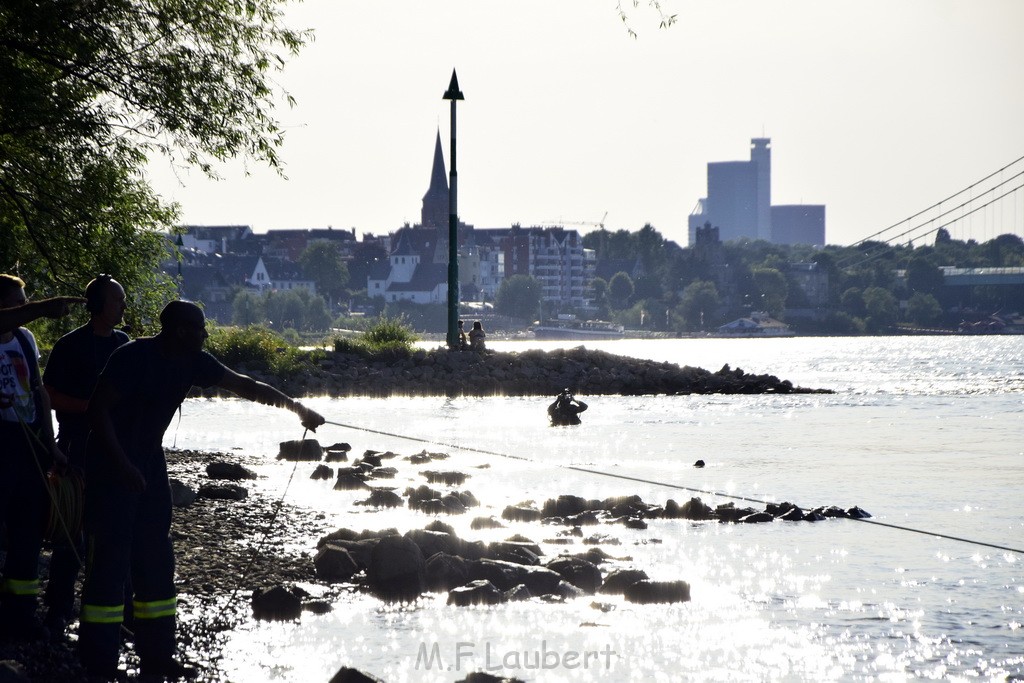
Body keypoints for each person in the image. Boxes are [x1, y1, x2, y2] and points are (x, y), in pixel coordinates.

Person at [78, 300, 325, 680]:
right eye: (200, 328)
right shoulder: (132, 357)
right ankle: (98, 663)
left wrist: (297, 409)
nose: (206, 334)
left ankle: (157, 657)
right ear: (180, 330)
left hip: (148, 462)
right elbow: (97, 412)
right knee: (110, 563)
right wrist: (123, 466)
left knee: (157, 560)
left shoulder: (194, 361)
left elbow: (245, 385)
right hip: (110, 465)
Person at [42, 275, 130, 639]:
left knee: (112, 532)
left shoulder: (125, 345)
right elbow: (47, 394)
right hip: (77, 447)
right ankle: (58, 610)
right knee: (71, 532)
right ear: (98, 306)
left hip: (115, 451)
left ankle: (117, 610)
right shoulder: (70, 345)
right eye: (117, 301)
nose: (123, 308)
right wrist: (90, 409)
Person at [0, 274, 67, 641]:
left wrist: (51, 442)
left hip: (29, 444)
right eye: (18, 304)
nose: (24, 311)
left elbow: (39, 390)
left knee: (28, 532)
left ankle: (20, 614)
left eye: (26, 303)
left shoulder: (24, 339)